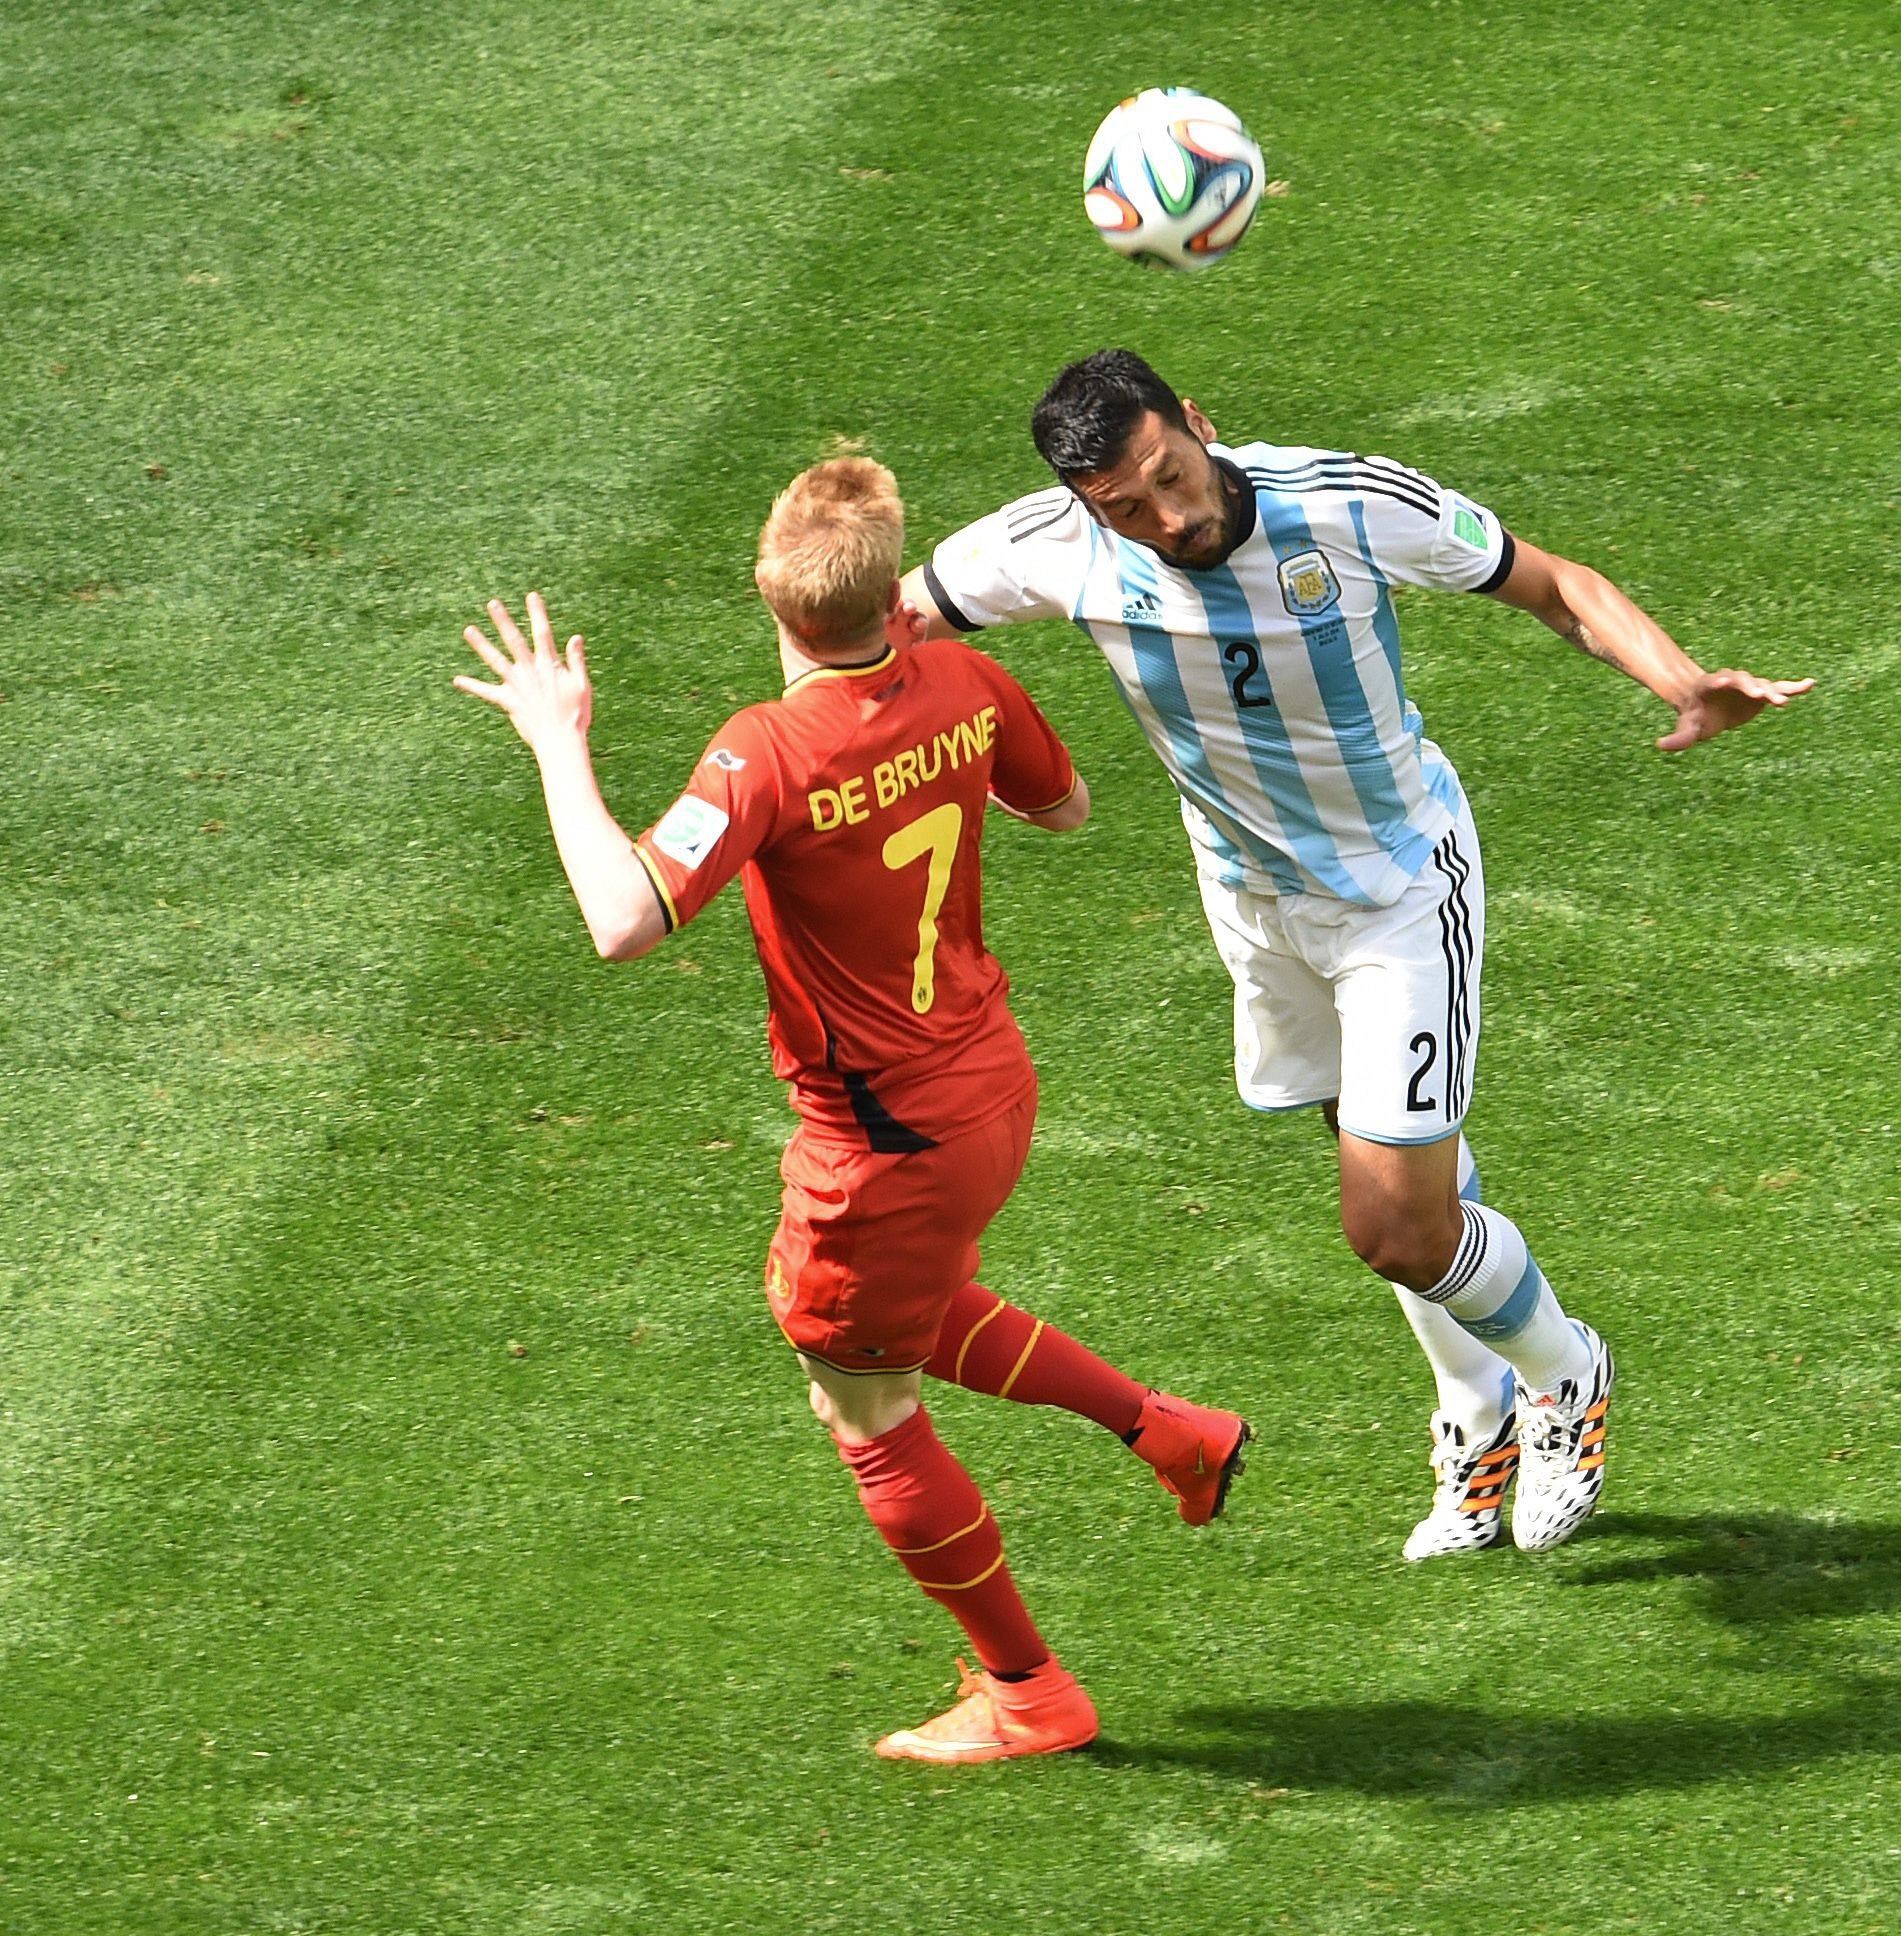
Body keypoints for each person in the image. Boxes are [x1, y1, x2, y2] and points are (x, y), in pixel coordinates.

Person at [901, 352, 1812, 1559]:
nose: (1167, 519)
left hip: (1395, 888)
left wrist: (1684, 679)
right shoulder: (1053, 546)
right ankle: (1472, 1405)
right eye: (1126, 506)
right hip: (1253, 902)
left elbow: (1554, 584)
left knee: (1394, 1227)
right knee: (1381, 1153)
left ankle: (1565, 1372)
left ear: (1199, 424)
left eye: (1170, 476)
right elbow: (881, 624)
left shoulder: (1340, 502)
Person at [451, 456, 1249, 1763]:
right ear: (895, 591)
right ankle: (1170, 1432)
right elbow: (1068, 809)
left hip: (883, 1147)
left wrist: (557, 741)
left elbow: (619, 922)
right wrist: (935, 706)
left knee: (861, 1405)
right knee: (905, 1320)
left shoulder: (762, 751)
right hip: (992, 1086)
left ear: (774, 601)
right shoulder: (967, 679)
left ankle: (1031, 1693)